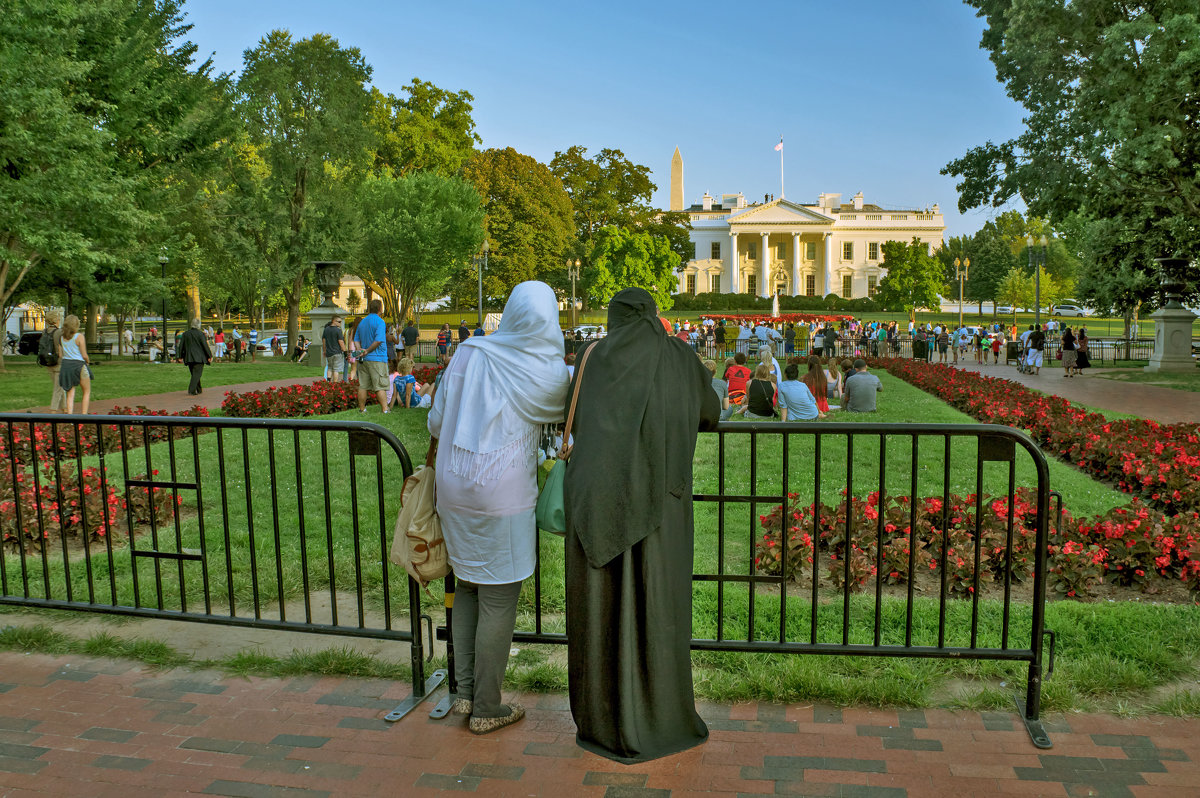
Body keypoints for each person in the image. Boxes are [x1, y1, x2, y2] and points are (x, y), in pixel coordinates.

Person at [564, 286, 718, 763]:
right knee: (657, 605)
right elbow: (710, 413)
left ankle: (601, 720)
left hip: (595, 501)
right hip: (661, 504)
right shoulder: (680, 356)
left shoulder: (595, 356)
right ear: (652, 315)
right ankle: (661, 715)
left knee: (600, 608)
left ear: (614, 318)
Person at [428, 281, 569, 735]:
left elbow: (434, 419)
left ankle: (466, 694)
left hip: (452, 486)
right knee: (499, 597)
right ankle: (488, 705)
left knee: (468, 583)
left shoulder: (470, 351)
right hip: (502, 495)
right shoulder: (549, 375)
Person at [354, 300, 389, 413]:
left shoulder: (362, 322)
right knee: (379, 385)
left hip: (363, 360)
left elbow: (356, 339)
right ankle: (385, 409)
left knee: (363, 385)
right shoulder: (380, 322)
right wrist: (368, 350)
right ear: (380, 309)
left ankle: (362, 409)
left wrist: (360, 351)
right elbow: (378, 340)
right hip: (377, 358)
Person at [56, 314, 92, 414]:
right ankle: (84, 415)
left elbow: (60, 355)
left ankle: (70, 418)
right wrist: (88, 361)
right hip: (79, 365)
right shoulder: (79, 337)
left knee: (70, 394)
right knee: (86, 391)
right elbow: (84, 355)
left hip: (66, 366)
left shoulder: (61, 338)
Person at [177, 318, 213, 395]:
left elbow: (181, 346)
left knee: (195, 374)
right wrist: (209, 355)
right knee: (197, 374)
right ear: (199, 325)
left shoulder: (185, 334)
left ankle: (199, 389)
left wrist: (180, 356)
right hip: (199, 357)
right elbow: (205, 346)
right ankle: (192, 390)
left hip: (189, 357)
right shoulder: (201, 334)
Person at [41, 312, 67, 413]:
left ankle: (65, 408)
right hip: (59, 362)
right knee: (58, 388)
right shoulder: (60, 332)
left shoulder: (44, 332)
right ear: (56, 320)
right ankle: (53, 409)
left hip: (48, 362)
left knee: (59, 386)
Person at [322, 316, 345, 383]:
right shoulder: (338, 330)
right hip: (337, 352)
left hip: (329, 352)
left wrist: (324, 350)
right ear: (333, 321)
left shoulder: (326, 329)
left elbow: (324, 341)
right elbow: (341, 341)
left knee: (329, 367)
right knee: (336, 369)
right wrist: (345, 351)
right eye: (339, 322)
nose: (340, 323)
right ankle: (335, 384)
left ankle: (328, 381)